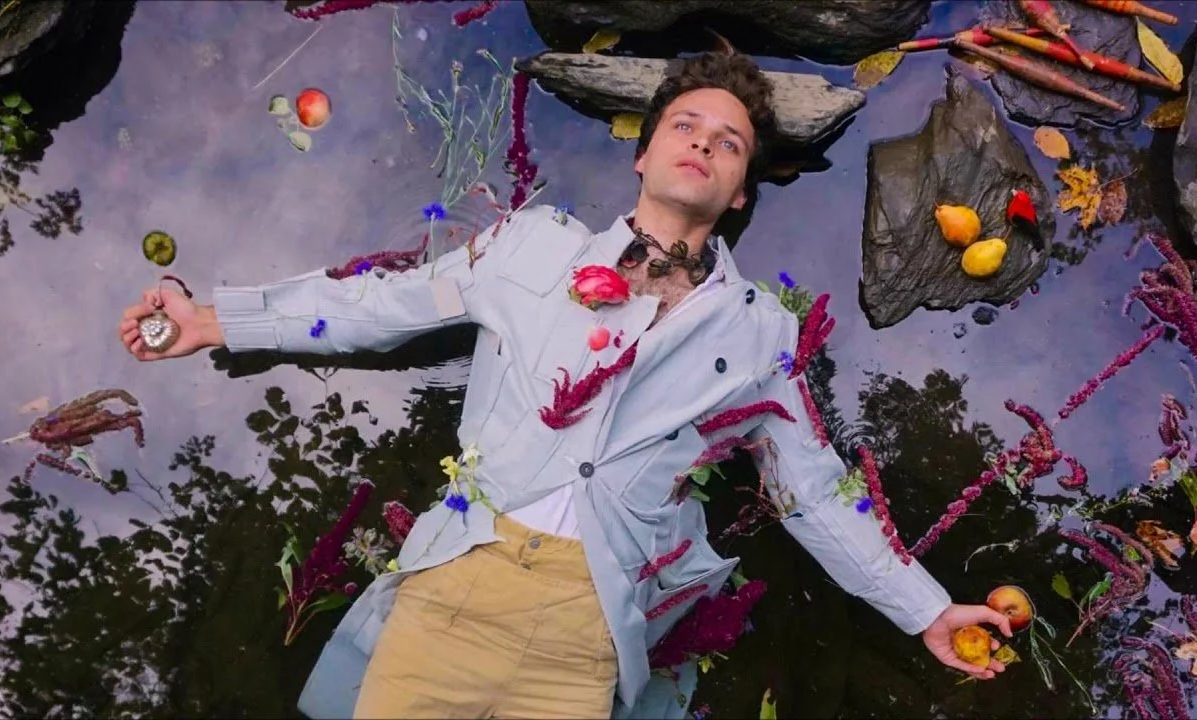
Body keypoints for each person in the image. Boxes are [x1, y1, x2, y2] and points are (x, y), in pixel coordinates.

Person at [119, 52, 1013, 720]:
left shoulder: (761, 335)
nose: (703, 144)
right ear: (644, 155)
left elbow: (812, 492)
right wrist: (216, 321)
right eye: (686, 127)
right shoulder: (529, 247)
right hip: (455, 588)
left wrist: (926, 610)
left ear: (741, 191)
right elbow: (385, 305)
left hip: (589, 627)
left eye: (729, 143)